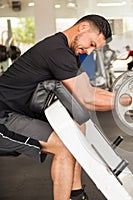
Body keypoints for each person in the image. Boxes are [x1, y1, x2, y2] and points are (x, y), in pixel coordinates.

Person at [0, 14, 114, 200]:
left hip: (17, 114)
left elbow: (89, 90)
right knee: (65, 147)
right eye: (92, 44)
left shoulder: (68, 52)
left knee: (77, 128)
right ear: (83, 27)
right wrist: (124, 101)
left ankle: (76, 194)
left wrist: (124, 97)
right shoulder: (56, 51)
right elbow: (87, 99)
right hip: (3, 117)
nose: (89, 51)